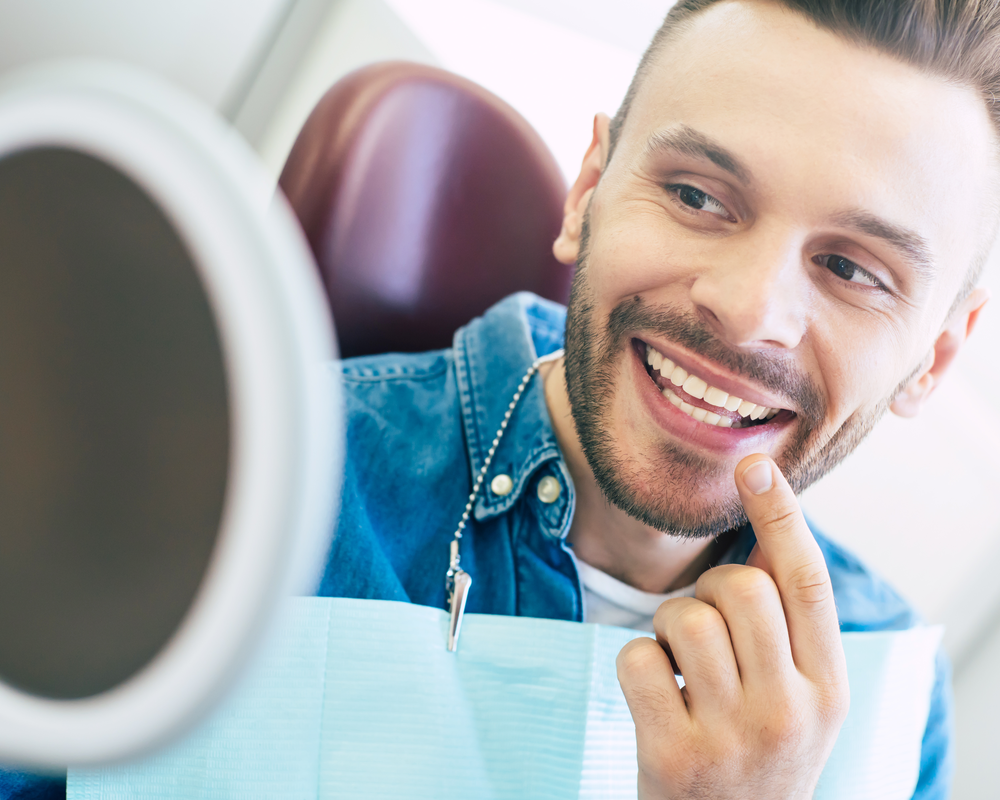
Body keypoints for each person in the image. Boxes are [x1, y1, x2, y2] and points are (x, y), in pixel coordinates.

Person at [1, 0, 994, 798]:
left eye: (853, 269)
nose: (744, 312)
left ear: (934, 359)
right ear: (587, 192)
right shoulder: (204, 482)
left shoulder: (890, 696)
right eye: (697, 195)